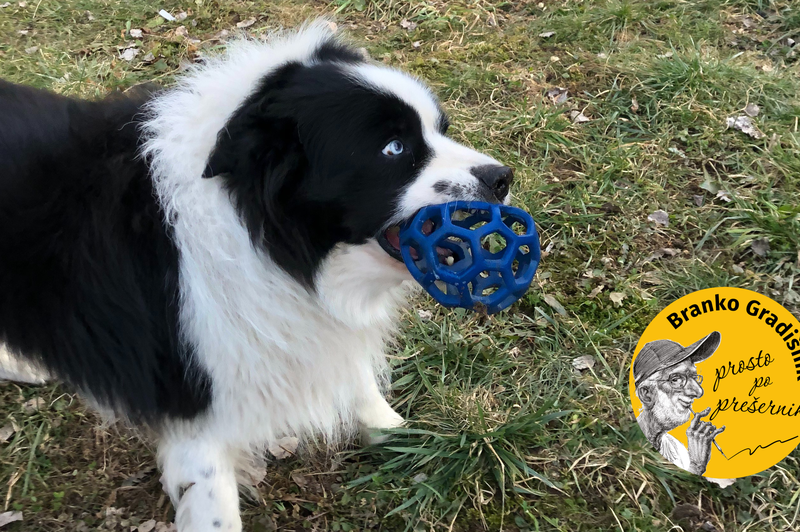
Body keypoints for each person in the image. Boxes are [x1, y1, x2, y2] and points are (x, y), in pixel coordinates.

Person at [633, 331, 726, 475]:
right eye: (676, 379)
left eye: (694, 377)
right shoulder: (628, 445)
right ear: (647, 394)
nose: (698, 391)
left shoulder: (677, 450)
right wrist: (696, 467)